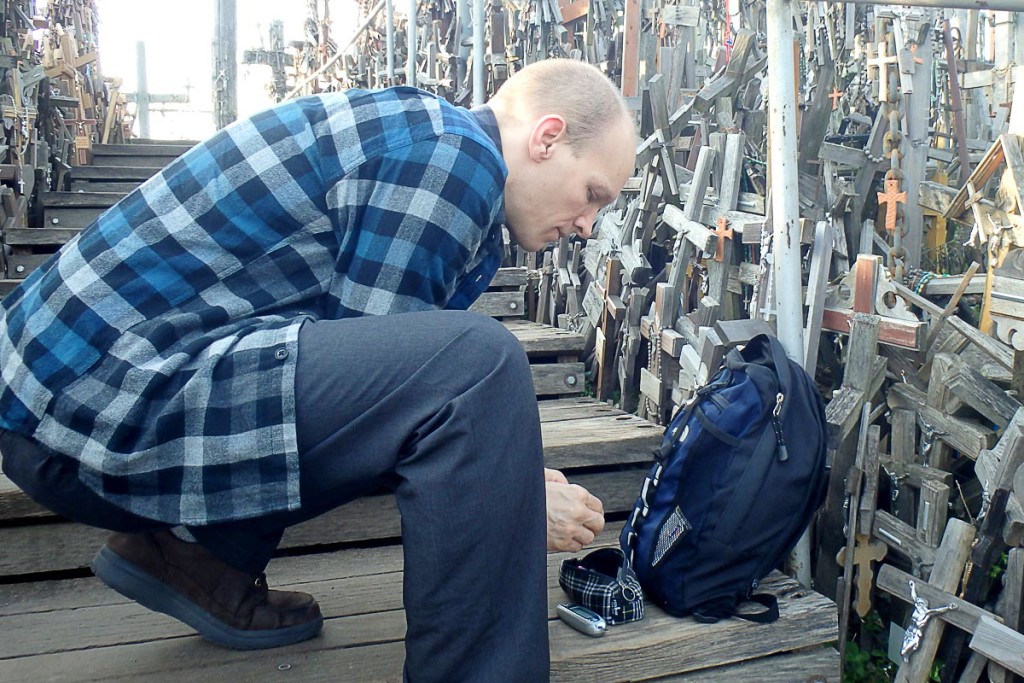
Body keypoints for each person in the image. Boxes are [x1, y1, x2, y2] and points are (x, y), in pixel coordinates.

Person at [0, 58, 636, 681]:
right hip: (94, 404)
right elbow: (399, 404)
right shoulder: (455, 157)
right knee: (478, 361)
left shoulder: (427, 139)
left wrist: (501, 469)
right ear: (547, 137)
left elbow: (358, 381)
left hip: (66, 402)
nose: (586, 225)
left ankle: (202, 563)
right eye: (592, 196)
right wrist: (514, 492)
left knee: (396, 359)